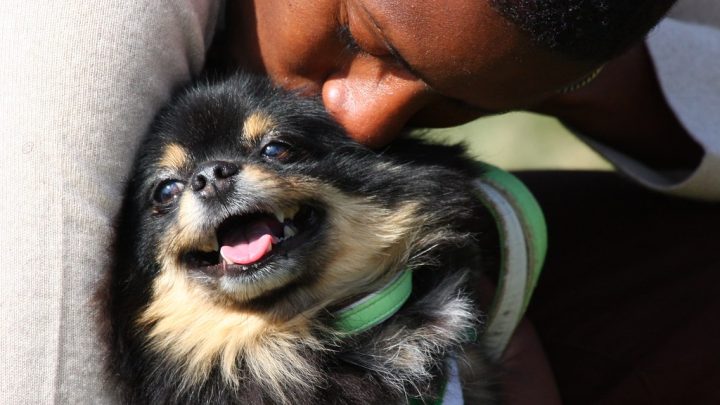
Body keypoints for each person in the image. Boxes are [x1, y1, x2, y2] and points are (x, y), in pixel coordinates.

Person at [1, 0, 717, 403]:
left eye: (455, 100)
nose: (364, 121)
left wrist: (565, 74)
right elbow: (36, 364)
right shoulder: (78, 50)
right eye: (353, 37)